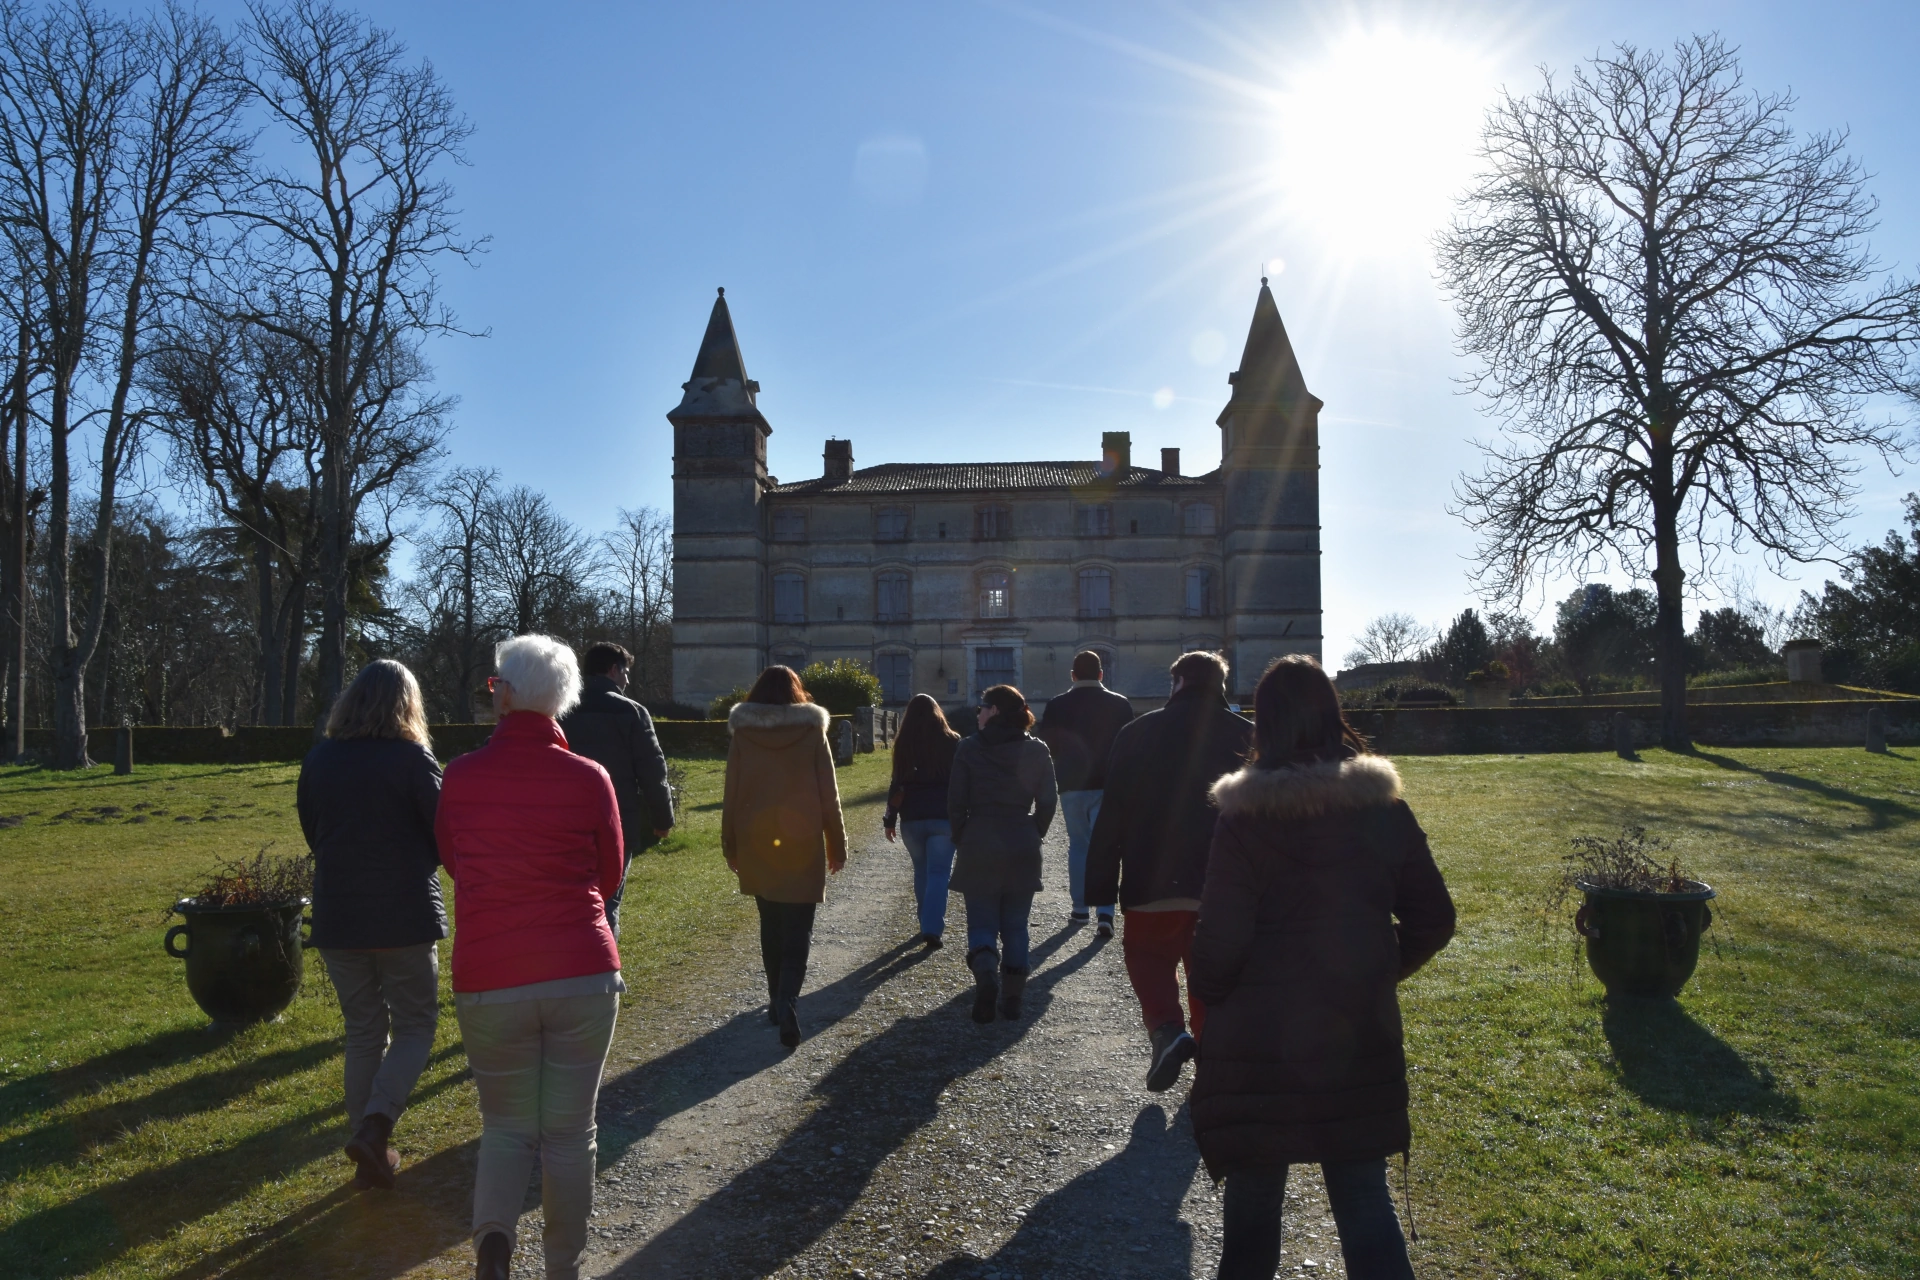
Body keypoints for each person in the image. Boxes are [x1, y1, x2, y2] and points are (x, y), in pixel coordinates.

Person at [1190, 655, 1455, 1280]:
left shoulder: (1245, 820)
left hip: (1258, 1036)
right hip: (1353, 1026)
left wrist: (1210, 991)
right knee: (1365, 1201)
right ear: (1333, 714)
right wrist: (1378, 968)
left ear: (1265, 724)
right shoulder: (1379, 808)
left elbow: (1220, 939)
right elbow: (1433, 918)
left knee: (1253, 1216)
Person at [437, 635, 626, 1280]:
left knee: (507, 1127)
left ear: (509, 693)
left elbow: (454, 863)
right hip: (581, 967)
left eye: (494, 685)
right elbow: (611, 869)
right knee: (570, 1132)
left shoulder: (460, 776)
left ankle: (494, 1246)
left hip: (492, 973)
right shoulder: (589, 777)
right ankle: (562, 1268)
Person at [297, 659, 444, 1193]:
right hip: (404, 912)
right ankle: (376, 1125)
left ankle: (369, 1153)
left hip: (340, 913)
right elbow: (443, 831)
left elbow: (314, 830)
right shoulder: (413, 759)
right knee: (414, 1026)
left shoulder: (320, 759)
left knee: (362, 1033)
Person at [1085, 650, 1253, 1092]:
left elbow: (1113, 811)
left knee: (1149, 956)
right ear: (1220, 684)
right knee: (1210, 969)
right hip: (1225, 882)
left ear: (1176, 682)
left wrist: (1100, 883)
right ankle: (1211, 1052)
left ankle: (1166, 1029)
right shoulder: (1248, 735)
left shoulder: (1138, 732)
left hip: (1152, 875)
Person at [723, 665, 848, 1048]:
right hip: (802, 839)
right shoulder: (812, 732)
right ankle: (789, 1001)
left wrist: (730, 845)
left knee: (771, 925)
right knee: (799, 928)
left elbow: (732, 793)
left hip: (758, 841)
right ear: (797, 692)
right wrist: (837, 843)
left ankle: (776, 1002)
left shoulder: (743, 734)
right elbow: (829, 793)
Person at [947, 683, 1058, 1022]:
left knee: (981, 921)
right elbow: (1049, 801)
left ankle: (984, 972)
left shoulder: (968, 749)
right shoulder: (1037, 750)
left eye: (982, 706)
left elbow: (956, 802)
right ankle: (1012, 997)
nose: (977, 712)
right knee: (1015, 924)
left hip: (980, 838)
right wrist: (1033, 830)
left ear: (994, 710)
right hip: (1021, 838)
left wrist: (963, 835)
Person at [558, 641, 676, 935]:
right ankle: (603, 970)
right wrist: (663, 819)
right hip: (617, 818)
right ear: (613, 670)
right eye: (625, 672)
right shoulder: (632, 712)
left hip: (564, 819)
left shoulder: (559, 709)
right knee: (607, 902)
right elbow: (652, 770)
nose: (627, 680)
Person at [1035, 650, 1134, 934]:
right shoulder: (1120, 704)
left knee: (1079, 845)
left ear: (1072, 675)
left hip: (1072, 785)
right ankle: (1105, 913)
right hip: (1109, 785)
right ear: (1101, 674)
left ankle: (1079, 909)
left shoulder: (1057, 705)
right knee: (1107, 847)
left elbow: (1048, 746)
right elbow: (1127, 747)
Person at [883, 693, 961, 949]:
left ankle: (923, 921)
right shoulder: (952, 741)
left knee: (921, 871)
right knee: (939, 872)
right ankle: (932, 926)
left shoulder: (904, 742)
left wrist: (890, 818)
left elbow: (897, 783)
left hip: (912, 817)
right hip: (943, 816)